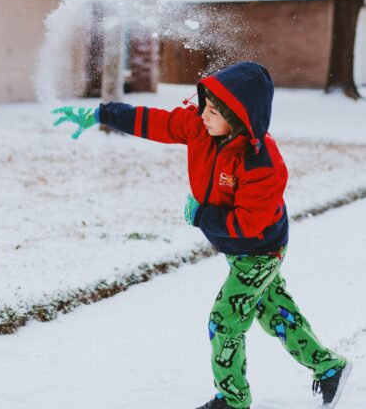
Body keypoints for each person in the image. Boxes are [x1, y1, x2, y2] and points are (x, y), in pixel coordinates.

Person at [52, 61, 351, 409]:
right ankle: (330, 368)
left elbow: (247, 224)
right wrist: (103, 114)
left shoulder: (261, 164)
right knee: (275, 313)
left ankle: (233, 399)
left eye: (212, 111)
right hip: (238, 250)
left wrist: (202, 215)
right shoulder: (200, 128)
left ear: (238, 118)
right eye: (204, 106)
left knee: (225, 321)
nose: (203, 115)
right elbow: (156, 122)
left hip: (261, 250)